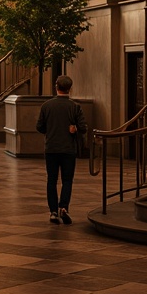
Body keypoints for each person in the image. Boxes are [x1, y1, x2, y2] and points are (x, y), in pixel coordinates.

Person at [36, 75, 87, 224]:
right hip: (68, 149)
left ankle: (53, 211)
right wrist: (75, 128)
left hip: (51, 148)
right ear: (70, 88)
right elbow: (83, 128)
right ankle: (64, 207)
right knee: (67, 180)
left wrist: (49, 130)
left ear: (56, 86)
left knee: (51, 180)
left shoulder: (46, 106)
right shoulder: (75, 107)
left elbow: (39, 127)